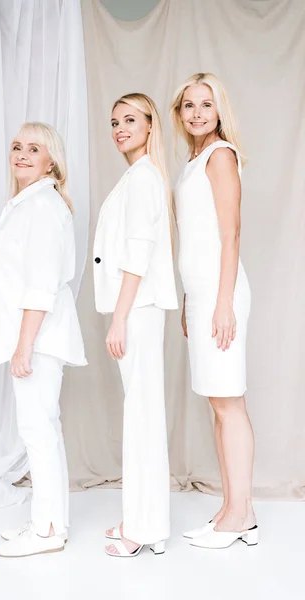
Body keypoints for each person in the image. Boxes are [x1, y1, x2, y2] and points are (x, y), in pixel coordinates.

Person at [0, 122, 86, 557]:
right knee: (44, 429)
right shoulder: (30, 203)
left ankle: (46, 531)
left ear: (50, 160)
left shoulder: (41, 207)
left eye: (32, 148)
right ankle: (50, 519)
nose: (20, 154)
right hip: (38, 335)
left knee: (38, 430)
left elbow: (40, 285)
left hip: (38, 338)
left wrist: (24, 345)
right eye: (17, 147)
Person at [170, 73, 257, 549]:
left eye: (207, 104)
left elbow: (230, 236)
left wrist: (222, 304)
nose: (198, 112)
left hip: (221, 298)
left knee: (229, 403)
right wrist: (191, 300)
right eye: (189, 105)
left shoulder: (220, 156)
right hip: (203, 295)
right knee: (217, 404)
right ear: (180, 113)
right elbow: (195, 240)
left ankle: (240, 515)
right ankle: (231, 507)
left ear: (220, 110)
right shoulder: (194, 161)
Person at [93, 93, 178, 557]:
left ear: (149, 126)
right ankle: (147, 524)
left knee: (141, 417)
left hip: (138, 311)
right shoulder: (137, 177)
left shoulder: (144, 178)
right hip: (136, 310)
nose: (120, 128)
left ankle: (141, 530)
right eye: (114, 121)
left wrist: (119, 318)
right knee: (142, 414)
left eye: (129, 119)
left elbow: (137, 254)